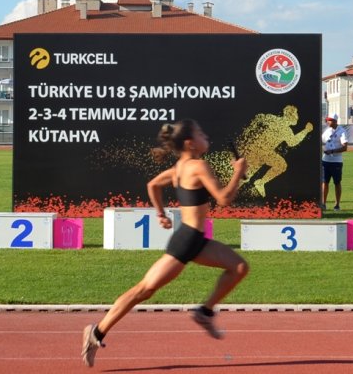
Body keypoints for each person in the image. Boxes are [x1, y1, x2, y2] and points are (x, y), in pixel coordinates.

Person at [82, 119, 249, 367]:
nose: (206, 135)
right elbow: (224, 199)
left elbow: (153, 185)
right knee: (144, 290)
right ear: (190, 143)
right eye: (202, 132)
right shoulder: (198, 165)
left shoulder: (180, 167)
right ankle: (96, 332)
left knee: (239, 267)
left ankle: (204, 312)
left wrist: (161, 213)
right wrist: (238, 172)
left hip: (196, 240)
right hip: (186, 242)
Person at [236, 105, 313, 196]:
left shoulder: (280, 124)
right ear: (290, 115)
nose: (297, 117)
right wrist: (306, 130)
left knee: (280, 165)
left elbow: (260, 117)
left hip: (264, 152)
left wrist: (252, 130)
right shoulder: (281, 125)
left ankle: (260, 183)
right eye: (296, 114)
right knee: (246, 176)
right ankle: (227, 194)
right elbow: (293, 142)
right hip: (258, 150)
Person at [321, 114, 348, 210]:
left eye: (330, 120)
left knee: (337, 183)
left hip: (336, 161)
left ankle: (337, 204)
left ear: (335, 121)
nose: (328, 122)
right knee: (324, 182)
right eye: (327, 120)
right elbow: (320, 141)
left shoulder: (342, 131)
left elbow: (345, 147)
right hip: (325, 160)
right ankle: (323, 204)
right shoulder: (327, 131)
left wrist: (332, 151)